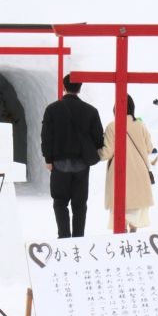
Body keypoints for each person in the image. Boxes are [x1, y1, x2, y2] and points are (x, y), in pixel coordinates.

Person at [41, 74, 104, 238]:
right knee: (80, 204)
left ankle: (64, 236)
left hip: (59, 164)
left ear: (63, 87)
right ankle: (78, 238)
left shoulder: (52, 110)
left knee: (60, 202)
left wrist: (48, 159)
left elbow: (47, 136)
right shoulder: (91, 111)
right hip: (81, 164)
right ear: (80, 88)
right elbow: (98, 139)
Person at [98, 95, 154, 233]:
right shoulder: (140, 125)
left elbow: (107, 152)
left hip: (120, 174)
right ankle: (133, 238)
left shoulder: (112, 126)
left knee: (120, 211)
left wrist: (92, 155)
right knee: (134, 210)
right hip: (139, 173)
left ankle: (122, 241)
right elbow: (149, 148)